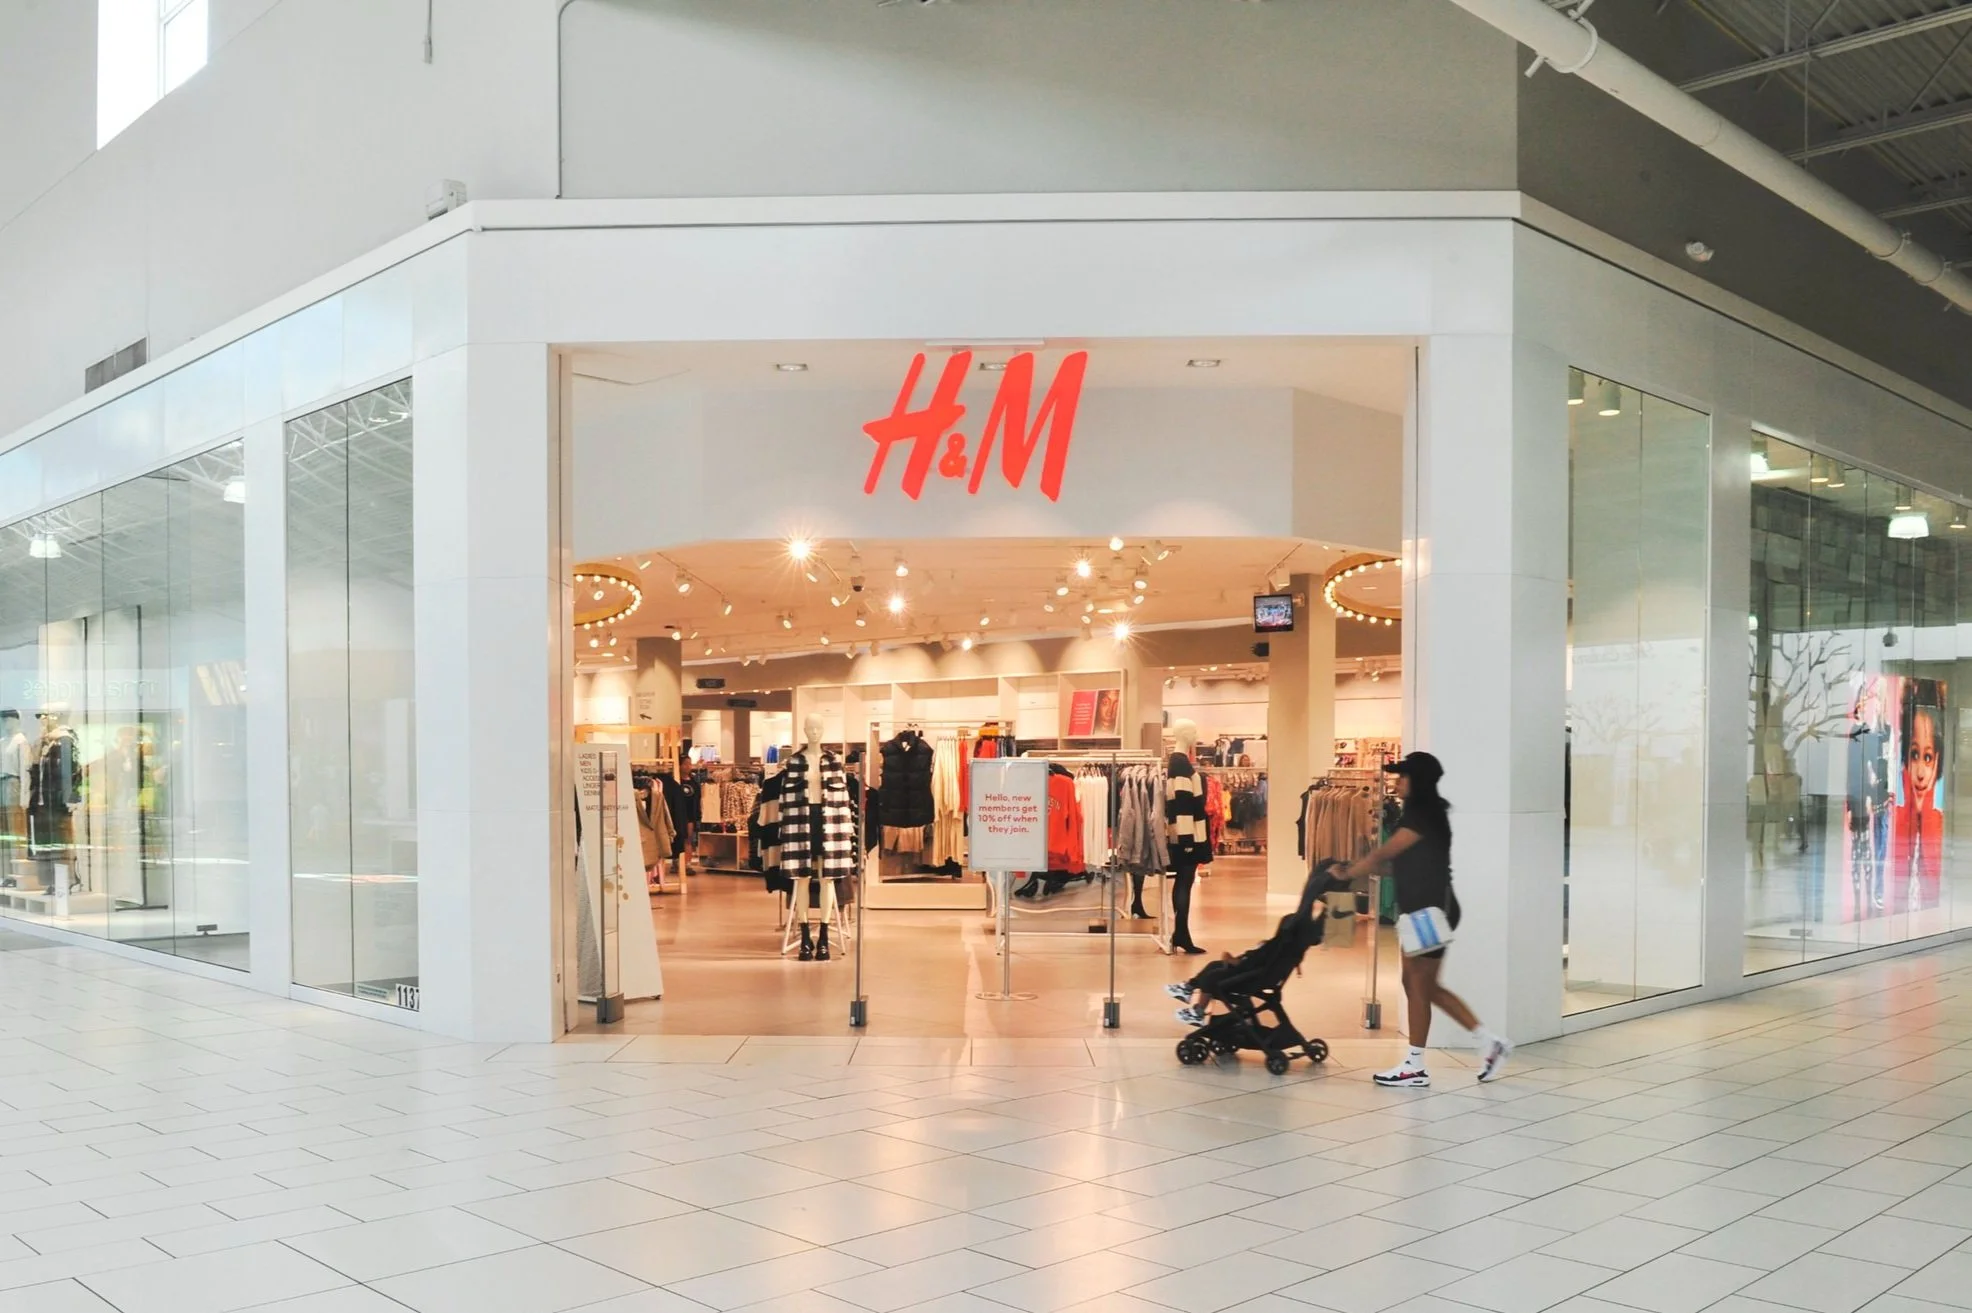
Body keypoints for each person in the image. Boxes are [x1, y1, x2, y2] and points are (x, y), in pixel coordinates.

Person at [1341, 751, 1510, 1087]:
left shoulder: (1423, 814)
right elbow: (1399, 864)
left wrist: (1348, 873)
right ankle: (1488, 1042)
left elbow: (1384, 854)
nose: (1396, 780)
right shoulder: (1419, 814)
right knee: (1417, 984)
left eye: (1402, 776)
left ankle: (1416, 1066)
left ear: (1417, 780)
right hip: (1420, 910)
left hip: (1430, 911)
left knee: (1420, 985)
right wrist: (1359, 870)